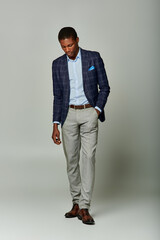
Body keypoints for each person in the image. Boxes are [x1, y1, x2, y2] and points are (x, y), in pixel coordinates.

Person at [51, 27, 110, 225]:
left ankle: (85, 206)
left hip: (88, 113)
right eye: (63, 47)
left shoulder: (93, 58)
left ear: (77, 40)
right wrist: (55, 124)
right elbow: (58, 96)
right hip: (68, 115)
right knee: (71, 161)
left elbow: (105, 87)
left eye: (70, 45)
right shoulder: (57, 64)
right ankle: (75, 202)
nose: (67, 50)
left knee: (88, 158)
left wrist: (97, 111)